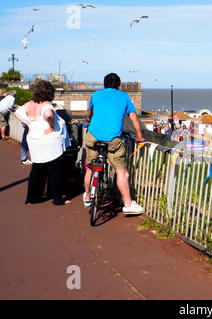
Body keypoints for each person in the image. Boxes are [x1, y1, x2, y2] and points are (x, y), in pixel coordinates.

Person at [83, 73, 145, 215]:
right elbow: (133, 117)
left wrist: (90, 120)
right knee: (122, 172)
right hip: (112, 140)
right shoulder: (124, 96)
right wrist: (139, 136)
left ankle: (87, 196)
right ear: (118, 86)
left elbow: (90, 113)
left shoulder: (96, 95)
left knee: (90, 168)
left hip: (93, 136)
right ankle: (128, 205)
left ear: (104, 85)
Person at [14, 81, 72, 205]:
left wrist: (29, 124)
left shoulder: (30, 104)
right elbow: (49, 115)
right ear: (49, 92)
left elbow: (17, 112)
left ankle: (31, 198)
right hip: (49, 141)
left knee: (37, 169)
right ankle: (57, 198)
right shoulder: (46, 104)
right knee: (55, 171)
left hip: (34, 139)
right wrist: (51, 126)